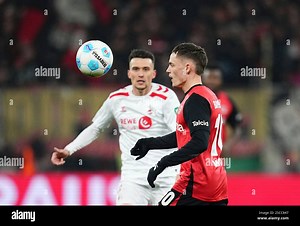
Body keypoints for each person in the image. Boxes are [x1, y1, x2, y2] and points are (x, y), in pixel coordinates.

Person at [51, 49, 180, 205]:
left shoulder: (166, 98)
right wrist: (69, 149)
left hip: (166, 180)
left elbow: (180, 134)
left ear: (153, 74)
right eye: (136, 69)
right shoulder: (116, 99)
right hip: (133, 181)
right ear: (129, 73)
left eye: (145, 69)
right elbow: (96, 128)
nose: (140, 74)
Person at [131, 43, 228, 205]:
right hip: (215, 183)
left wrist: (162, 164)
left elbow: (199, 142)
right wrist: (150, 143)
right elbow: (186, 136)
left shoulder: (195, 100)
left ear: (188, 68)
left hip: (196, 185)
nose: (168, 70)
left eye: (172, 65)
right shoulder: (207, 95)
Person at [202, 65, 243, 156]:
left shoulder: (227, 101)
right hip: (195, 156)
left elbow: (238, 126)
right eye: (209, 77)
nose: (212, 81)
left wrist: (228, 144)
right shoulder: (192, 99)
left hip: (217, 156)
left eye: (215, 78)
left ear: (220, 80)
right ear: (203, 79)